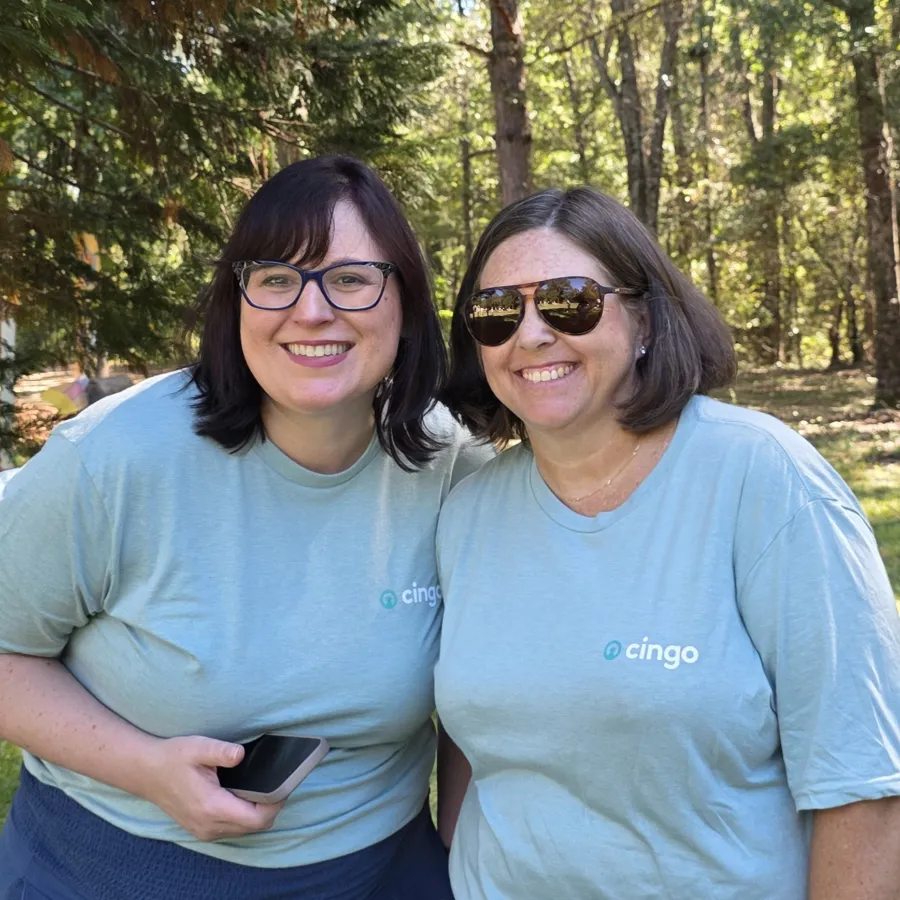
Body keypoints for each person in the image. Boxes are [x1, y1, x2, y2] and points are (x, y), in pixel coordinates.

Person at [0, 155, 491, 899]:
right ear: (237, 302)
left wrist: (460, 854)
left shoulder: (452, 462)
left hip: (386, 867)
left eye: (352, 279)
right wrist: (142, 766)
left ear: (408, 305)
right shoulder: (113, 459)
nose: (312, 310)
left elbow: (486, 673)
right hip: (121, 868)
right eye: (276, 278)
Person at [433, 186, 900, 900]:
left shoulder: (766, 481)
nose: (529, 335)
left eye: (568, 301)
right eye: (497, 313)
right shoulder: (469, 511)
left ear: (644, 314)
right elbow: (471, 749)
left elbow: (861, 782)